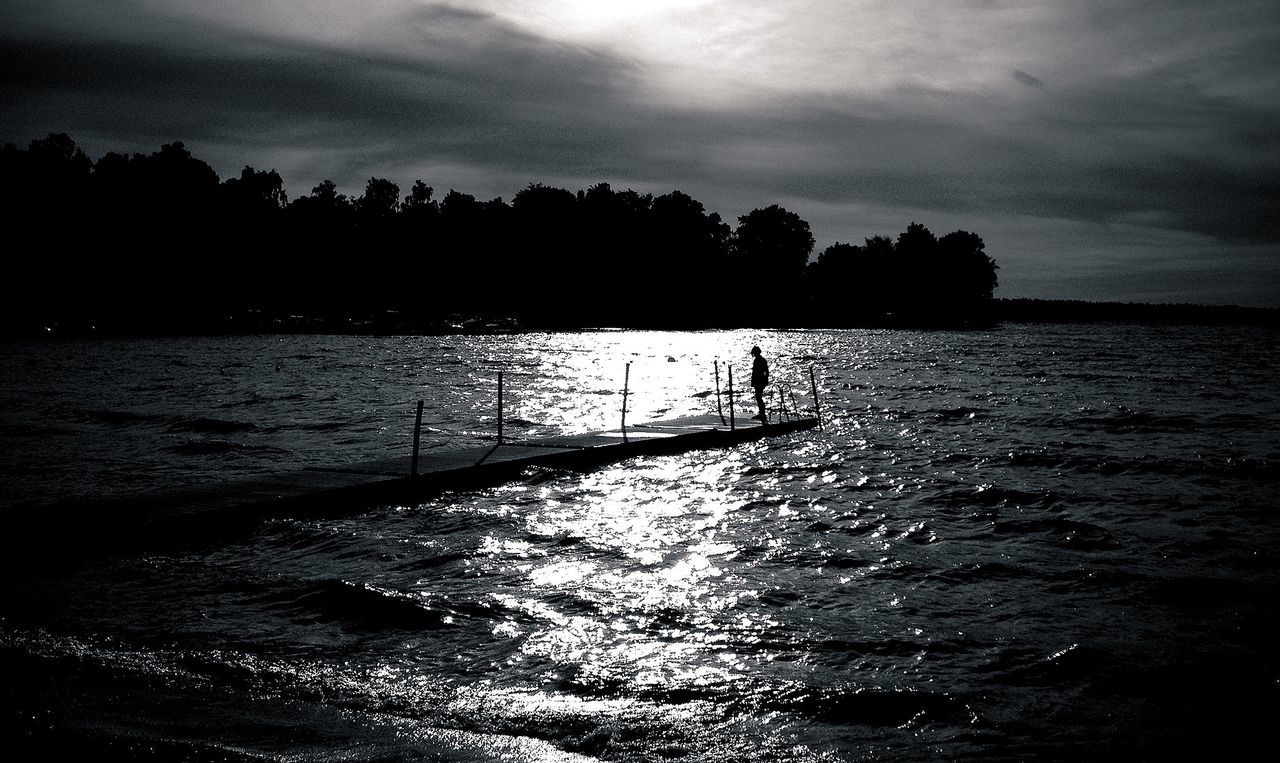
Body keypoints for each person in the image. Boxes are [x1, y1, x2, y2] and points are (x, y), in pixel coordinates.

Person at [750, 345, 769, 422]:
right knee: (758, 397)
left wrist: (765, 380)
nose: (753, 354)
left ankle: (762, 413)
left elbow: (765, 371)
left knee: (759, 397)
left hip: (759, 380)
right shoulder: (759, 359)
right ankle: (762, 413)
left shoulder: (760, 360)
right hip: (759, 380)